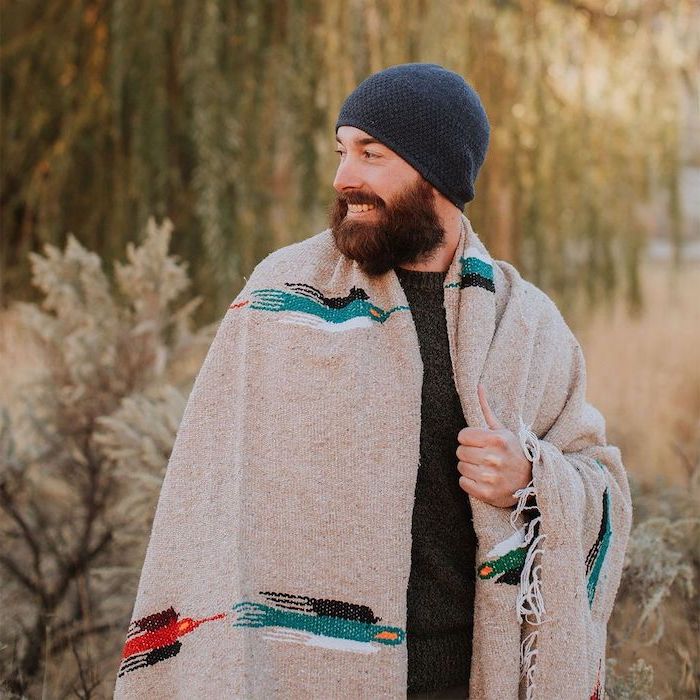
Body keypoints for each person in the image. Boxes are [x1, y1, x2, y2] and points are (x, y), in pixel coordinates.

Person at [114, 63, 632, 700]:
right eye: (341, 151)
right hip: (297, 668)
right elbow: (205, 490)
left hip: (472, 672)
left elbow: (600, 479)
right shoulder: (281, 298)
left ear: (436, 174)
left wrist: (530, 478)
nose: (343, 177)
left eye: (371, 154)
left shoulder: (523, 324)